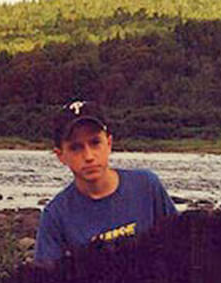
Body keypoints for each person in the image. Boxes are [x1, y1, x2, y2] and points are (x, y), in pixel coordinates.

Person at [34, 100, 177, 264]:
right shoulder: (55, 216)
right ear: (60, 155)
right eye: (76, 147)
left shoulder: (147, 186)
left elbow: (178, 245)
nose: (88, 156)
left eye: (95, 143)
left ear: (109, 144)